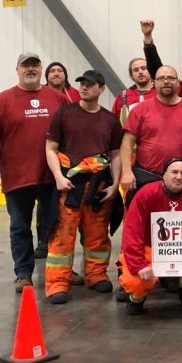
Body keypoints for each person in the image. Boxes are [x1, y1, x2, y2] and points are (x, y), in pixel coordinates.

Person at [0, 53, 70, 291]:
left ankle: (59, 270)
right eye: (25, 65)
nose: (30, 69)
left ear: (41, 69)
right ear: (17, 69)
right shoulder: (3, 100)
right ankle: (23, 273)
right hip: (17, 176)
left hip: (52, 176)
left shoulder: (58, 98)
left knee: (56, 226)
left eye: (35, 65)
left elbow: (71, 132)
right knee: (20, 226)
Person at [43, 70, 122, 303]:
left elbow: (116, 154)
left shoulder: (110, 120)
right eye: (82, 84)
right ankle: (57, 282)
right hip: (70, 185)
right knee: (62, 235)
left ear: (102, 89)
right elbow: (50, 148)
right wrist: (58, 176)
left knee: (97, 234)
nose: (85, 88)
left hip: (99, 185)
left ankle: (96, 274)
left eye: (90, 84)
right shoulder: (64, 114)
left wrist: (115, 184)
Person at [118, 158, 182, 315]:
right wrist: (138, 265)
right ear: (163, 175)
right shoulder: (146, 194)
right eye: (174, 172)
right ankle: (136, 300)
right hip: (150, 248)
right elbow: (132, 232)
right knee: (135, 280)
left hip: (179, 250)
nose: (179, 176)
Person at [120, 65, 182, 203]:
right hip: (147, 177)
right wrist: (127, 172)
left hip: (181, 180)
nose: (166, 81)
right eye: (161, 78)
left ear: (178, 83)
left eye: (171, 78)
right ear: (154, 83)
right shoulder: (140, 109)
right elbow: (127, 143)